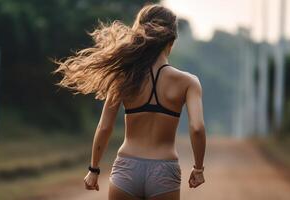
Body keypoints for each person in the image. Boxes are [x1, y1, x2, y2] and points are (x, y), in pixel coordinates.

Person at [54, 3, 206, 200]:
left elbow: (104, 126)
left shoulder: (124, 77)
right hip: (164, 170)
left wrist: (94, 169)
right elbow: (197, 128)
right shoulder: (188, 82)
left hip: (127, 168)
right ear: (172, 40)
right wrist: (198, 168)